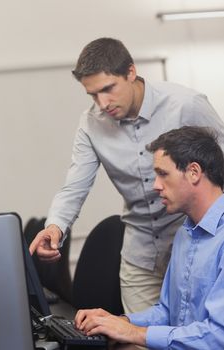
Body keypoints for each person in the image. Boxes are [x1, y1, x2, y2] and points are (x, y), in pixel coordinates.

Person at [29, 37, 224, 313]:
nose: (103, 102)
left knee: (196, 336)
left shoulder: (186, 104)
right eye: (93, 95)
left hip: (195, 246)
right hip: (140, 256)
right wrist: (55, 227)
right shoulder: (90, 123)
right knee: (137, 338)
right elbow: (74, 186)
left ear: (131, 72)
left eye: (108, 89)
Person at [74, 126, 224, 349]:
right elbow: (167, 311)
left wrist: (134, 333)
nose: (155, 185)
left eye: (163, 174)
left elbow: (217, 336)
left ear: (194, 172)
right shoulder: (185, 232)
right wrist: (119, 322)